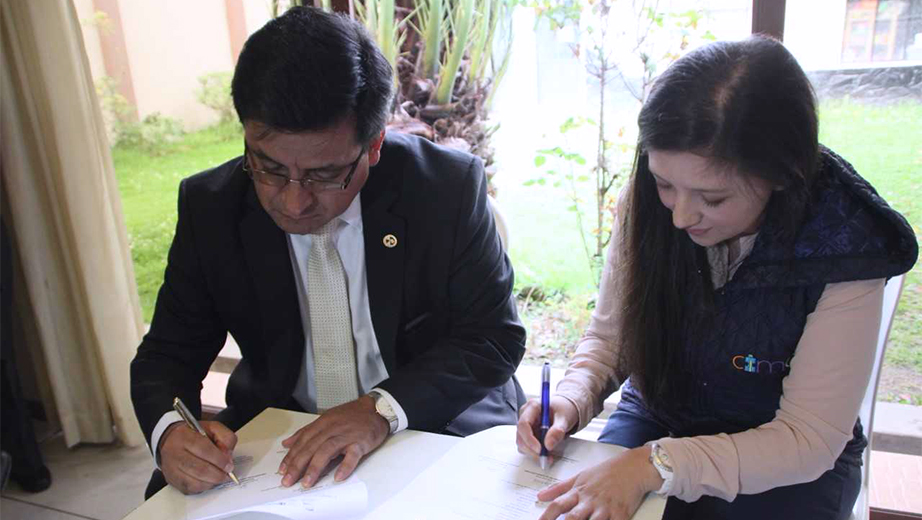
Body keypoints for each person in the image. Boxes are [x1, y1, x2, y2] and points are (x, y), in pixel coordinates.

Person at [131, 6, 525, 499]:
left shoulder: (444, 189)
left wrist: (379, 410)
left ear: (375, 144)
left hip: (426, 420)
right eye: (268, 167)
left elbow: (491, 339)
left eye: (323, 175)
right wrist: (170, 431)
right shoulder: (213, 206)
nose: (293, 202)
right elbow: (169, 352)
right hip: (280, 434)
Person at [517, 35, 917, 520]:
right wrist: (571, 397)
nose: (682, 217)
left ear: (783, 174)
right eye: (665, 184)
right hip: (656, 420)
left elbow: (808, 439)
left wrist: (654, 464)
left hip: (783, 459)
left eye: (713, 199)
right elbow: (613, 335)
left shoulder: (846, 244)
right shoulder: (645, 206)